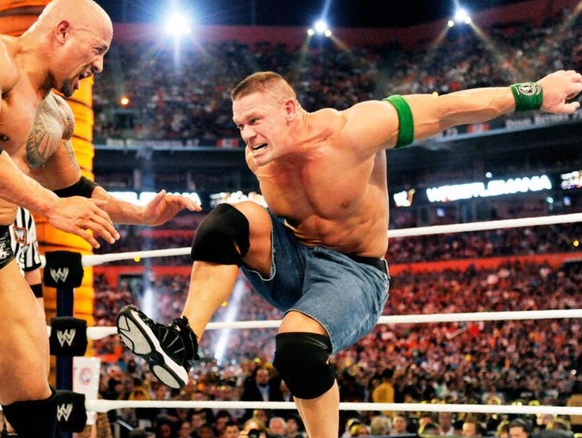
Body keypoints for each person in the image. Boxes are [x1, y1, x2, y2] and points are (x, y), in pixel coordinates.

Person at [117, 68, 582, 438]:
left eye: (255, 121)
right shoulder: (258, 157)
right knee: (223, 222)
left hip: (354, 274)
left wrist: (532, 94)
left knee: (296, 352)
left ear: (290, 109)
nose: (247, 135)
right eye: (240, 125)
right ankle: (182, 342)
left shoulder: (354, 130)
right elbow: (257, 223)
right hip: (294, 258)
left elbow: (446, 110)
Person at [0, 0, 200, 436]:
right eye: (97, 50)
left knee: (37, 408)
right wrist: (49, 207)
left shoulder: (54, 114)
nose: (101, 66)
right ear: (62, 31)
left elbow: (74, 189)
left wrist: (142, 214)